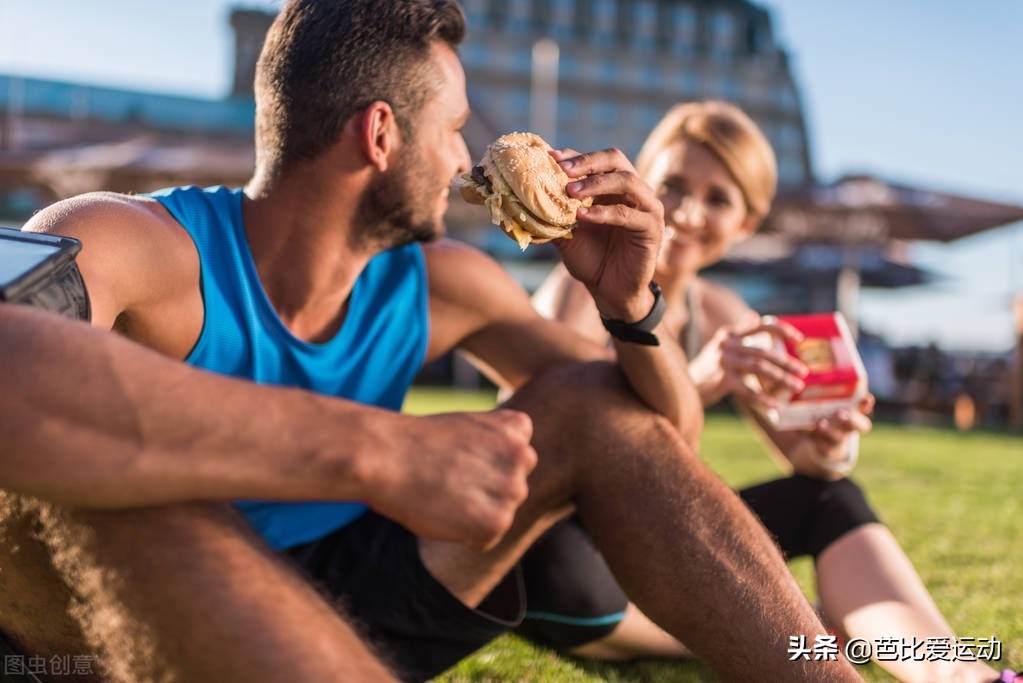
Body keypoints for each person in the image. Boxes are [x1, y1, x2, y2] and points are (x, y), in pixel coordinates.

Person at [0, 3, 864, 683]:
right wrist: (376, 450)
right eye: (453, 128)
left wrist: (629, 303)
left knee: (591, 403)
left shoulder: (440, 282)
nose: (464, 160)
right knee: (122, 492)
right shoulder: (133, 242)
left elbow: (656, 434)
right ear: (380, 133)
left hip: (354, 594)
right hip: (126, 627)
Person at [519, 100, 1011, 683]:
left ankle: (962, 677)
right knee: (584, 574)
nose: (688, 210)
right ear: (643, 180)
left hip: (651, 545)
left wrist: (832, 441)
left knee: (831, 499)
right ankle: (811, 635)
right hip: (565, 555)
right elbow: (551, 446)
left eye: (719, 198)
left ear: (747, 225)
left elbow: (809, 462)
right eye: (673, 184)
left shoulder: (725, 313)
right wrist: (696, 382)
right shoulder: (581, 284)